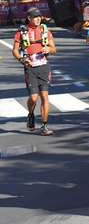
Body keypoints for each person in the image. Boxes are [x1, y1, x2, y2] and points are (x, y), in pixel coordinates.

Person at [12, 7, 57, 136]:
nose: (38, 19)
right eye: (35, 17)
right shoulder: (21, 31)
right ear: (29, 18)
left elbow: (54, 48)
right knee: (34, 97)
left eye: (39, 17)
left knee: (45, 96)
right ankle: (31, 114)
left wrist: (49, 49)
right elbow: (15, 50)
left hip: (43, 66)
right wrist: (22, 60)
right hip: (30, 67)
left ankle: (44, 125)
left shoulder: (45, 30)